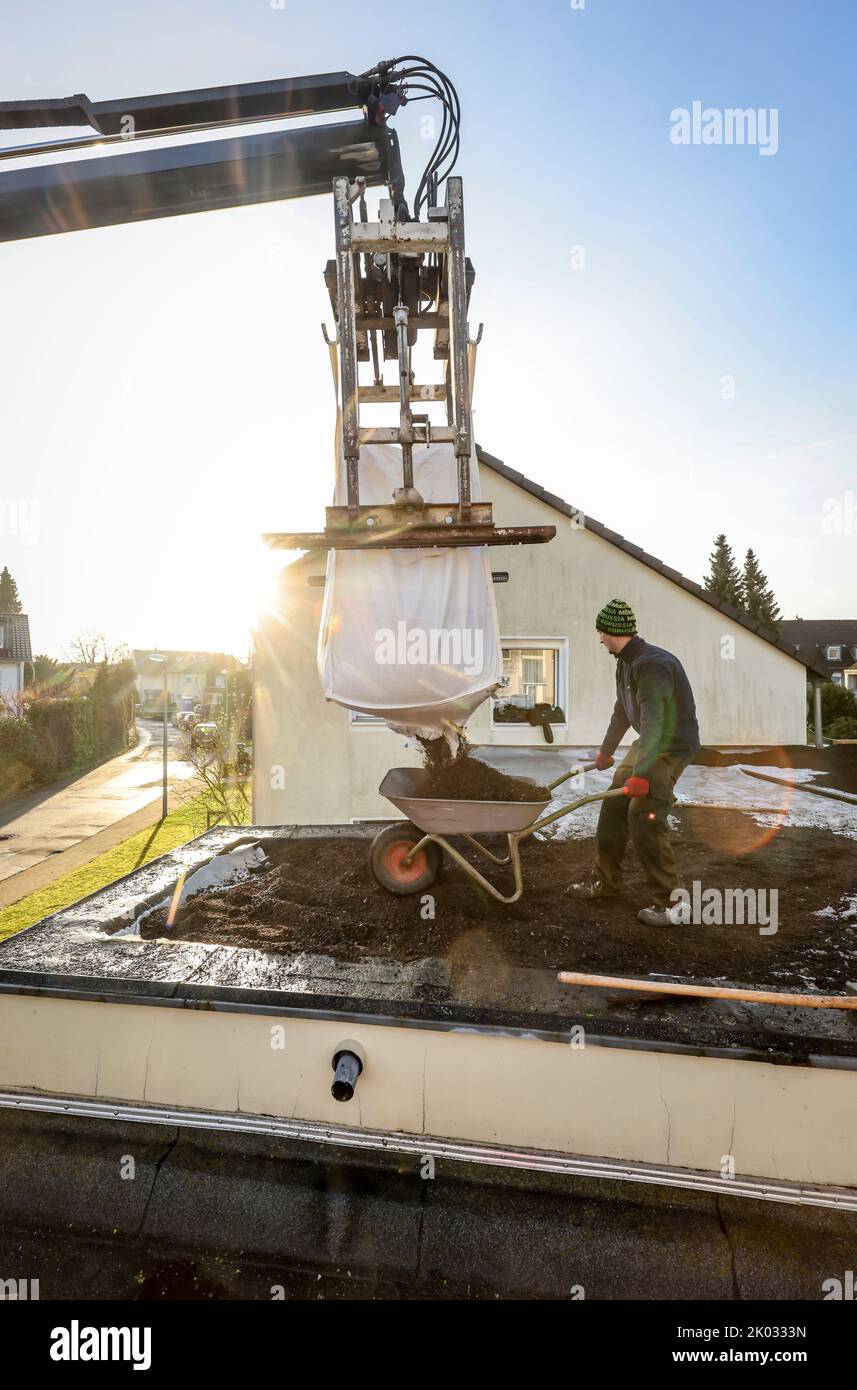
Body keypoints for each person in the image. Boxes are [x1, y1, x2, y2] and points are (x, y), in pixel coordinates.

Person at [568, 599, 700, 926]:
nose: (599, 639)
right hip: (650, 742)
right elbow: (622, 711)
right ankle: (606, 881)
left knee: (644, 814)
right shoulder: (626, 662)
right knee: (613, 806)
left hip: (670, 746)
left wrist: (642, 775)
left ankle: (672, 902)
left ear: (613, 632)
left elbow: (656, 721)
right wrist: (605, 751)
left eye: (601, 632)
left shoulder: (651, 664)